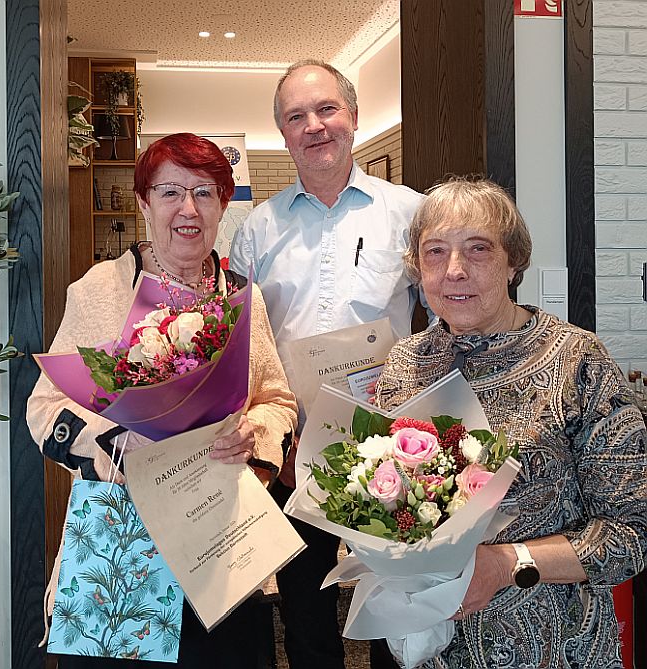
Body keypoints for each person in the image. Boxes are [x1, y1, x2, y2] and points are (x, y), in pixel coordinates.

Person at [27, 133, 297, 668]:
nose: (188, 209)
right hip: (120, 544)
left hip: (222, 537)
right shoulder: (99, 289)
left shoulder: (241, 297)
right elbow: (44, 407)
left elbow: (276, 400)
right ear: (144, 202)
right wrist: (115, 440)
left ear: (223, 203)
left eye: (204, 192)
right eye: (170, 192)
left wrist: (255, 435)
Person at [375, 177, 647, 668]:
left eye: (477, 249)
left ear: (513, 261)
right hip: (434, 648)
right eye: (435, 252)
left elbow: (633, 534)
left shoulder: (577, 360)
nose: (454, 270)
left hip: (556, 648)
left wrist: (507, 564)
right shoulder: (405, 364)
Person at [229, 59, 424, 668]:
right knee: (307, 616)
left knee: (397, 611)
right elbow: (241, 342)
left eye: (326, 109)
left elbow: (446, 316)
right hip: (293, 451)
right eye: (296, 117)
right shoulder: (256, 230)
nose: (313, 126)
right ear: (283, 133)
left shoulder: (410, 212)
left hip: (392, 446)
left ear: (354, 117)